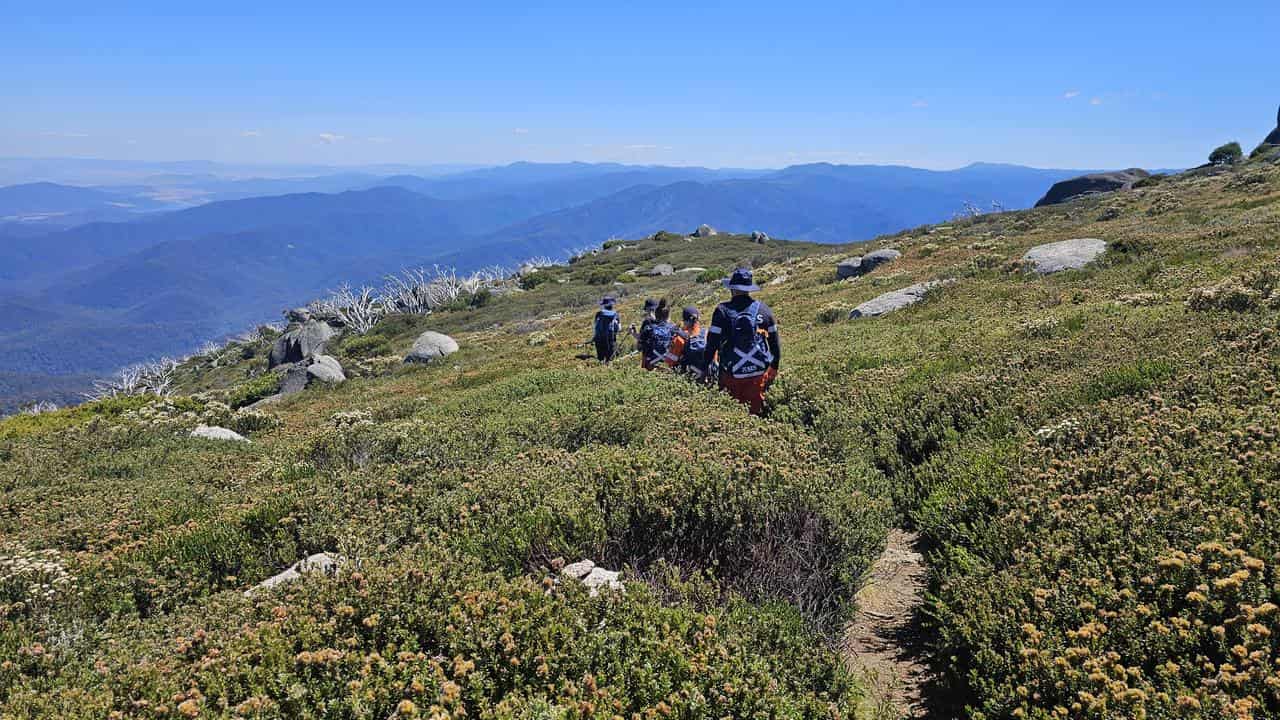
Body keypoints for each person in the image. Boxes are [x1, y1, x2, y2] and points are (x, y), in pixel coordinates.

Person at [703, 268, 781, 415]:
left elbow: (712, 343)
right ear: (748, 289)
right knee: (757, 415)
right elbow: (775, 344)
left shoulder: (722, 310)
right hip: (758, 375)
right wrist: (774, 368)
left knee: (732, 416)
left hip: (731, 375)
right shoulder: (764, 310)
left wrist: (705, 367)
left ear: (732, 288)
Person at [665, 306, 711, 381]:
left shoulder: (680, 338)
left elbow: (670, 362)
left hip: (688, 380)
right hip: (707, 379)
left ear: (685, 321)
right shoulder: (707, 334)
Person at [637, 299, 677, 370]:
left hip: (651, 361)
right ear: (668, 316)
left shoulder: (648, 328)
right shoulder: (673, 328)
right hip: (668, 360)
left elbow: (640, 346)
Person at [591, 295, 621, 363]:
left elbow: (595, 327)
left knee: (601, 360)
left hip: (599, 341)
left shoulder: (598, 314)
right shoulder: (615, 315)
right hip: (611, 341)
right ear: (612, 305)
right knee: (610, 360)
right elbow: (619, 328)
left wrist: (594, 338)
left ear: (603, 305)